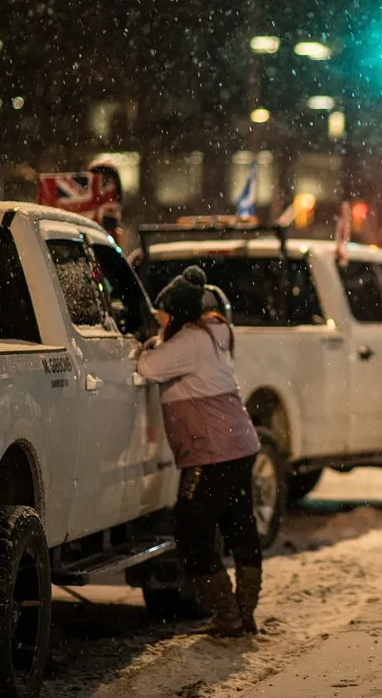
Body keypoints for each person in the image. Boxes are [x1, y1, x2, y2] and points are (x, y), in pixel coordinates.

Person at [137, 266, 263, 637]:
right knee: (240, 526)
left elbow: (148, 367)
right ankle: (244, 613)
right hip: (240, 445)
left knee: (192, 531)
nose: (159, 320)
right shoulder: (214, 333)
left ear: (177, 313)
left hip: (212, 451)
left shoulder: (189, 341)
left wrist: (151, 343)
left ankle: (226, 613)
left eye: (163, 314)